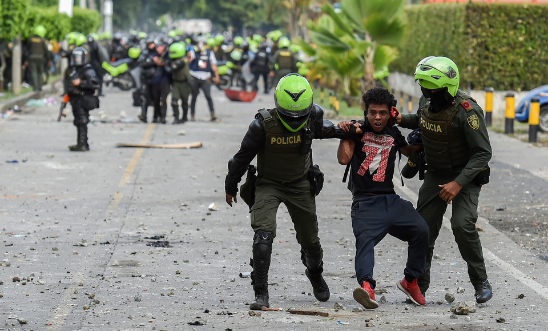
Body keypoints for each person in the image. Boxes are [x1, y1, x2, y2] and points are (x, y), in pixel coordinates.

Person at [225, 73, 354, 310]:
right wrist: (230, 186)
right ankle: (261, 293)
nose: (295, 121)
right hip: (268, 185)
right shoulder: (261, 126)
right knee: (263, 236)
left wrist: (347, 129)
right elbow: (241, 159)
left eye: (300, 116)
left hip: (300, 185)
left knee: (311, 241)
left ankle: (315, 273)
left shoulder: (312, 118)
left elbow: (326, 130)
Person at [397, 56, 493, 303]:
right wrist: (397, 119)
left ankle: (480, 281)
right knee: (423, 230)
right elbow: (420, 118)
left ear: (447, 88)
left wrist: (458, 183)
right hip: (436, 173)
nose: (427, 93)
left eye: (432, 89)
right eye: (424, 88)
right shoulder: (428, 100)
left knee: (462, 225)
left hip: (465, 176)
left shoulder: (467, 112)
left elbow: (483, 152)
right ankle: (419, 285)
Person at [337, 87, 429, 309]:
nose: (377, 117)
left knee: (421, 231)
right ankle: (367, 288)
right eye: (372, 112)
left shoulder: (393, 133)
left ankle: (410, 281)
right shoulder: (356, 130)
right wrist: (345, 134)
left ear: (390, 113)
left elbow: (409, 151)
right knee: (365, 243)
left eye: (382, 113)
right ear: (366, 112)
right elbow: (343, 159)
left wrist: (429, 138)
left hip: (390, 199)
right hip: (365, 202)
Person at [66, 47, 100, 151]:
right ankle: (81, 143)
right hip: (76, 99)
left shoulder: (88, 70)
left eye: (78, 58)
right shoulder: (75, 69)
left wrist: (81, 83)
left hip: (83, 98)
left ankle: (83, 144)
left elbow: (95, 84)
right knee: (78, 121)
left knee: (82, 121)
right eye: (75, 58)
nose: (77, 60)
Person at [188, 41, 220, 121]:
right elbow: (189, 60)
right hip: (195, 76)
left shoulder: (210, 53)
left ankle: (212, 114)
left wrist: (217, 76)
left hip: (206, 77)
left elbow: (213, 65)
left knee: (208, 96)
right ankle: (192, 115)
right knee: (194, 97)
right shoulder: (193, 52)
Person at [165, 42, 192, 124]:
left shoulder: (182, 61)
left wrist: (165, 64)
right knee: (174, 101)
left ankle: (184, 117)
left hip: (184, 83)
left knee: (184, 102)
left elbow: (170, 69)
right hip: (176, 83)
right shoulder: (176, 60)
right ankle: (176, 117)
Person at [138, 39, 157, 123]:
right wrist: (152, 62)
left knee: (156, 99)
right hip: (146, 78)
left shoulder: (157, 53)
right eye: (150, 44)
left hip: (155, 79)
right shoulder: (145, 53)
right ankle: (143, 115)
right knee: (144, 98)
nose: (151, 46)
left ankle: (156, 117)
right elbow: (141, 63)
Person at [150, 43, 170, 124]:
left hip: (164, 80)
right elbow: (154, 60)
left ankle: (163, 117)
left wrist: (159, 60)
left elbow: (162, 63)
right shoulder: (154, 53)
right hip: (155, 80)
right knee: (156, 100)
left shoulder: (167, 55)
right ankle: (155, 116)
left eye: (161, 46)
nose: (159, 48)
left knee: (163, 99)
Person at [26, 25, 49, 91]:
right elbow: (46, 49)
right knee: (40, 72)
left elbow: (27, 47)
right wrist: (47, 58)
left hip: (32, 57)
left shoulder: (31, 39)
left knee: (33, 72)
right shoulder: (42, 40)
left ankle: (35, 87)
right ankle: (39, 87)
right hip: (40, 58)